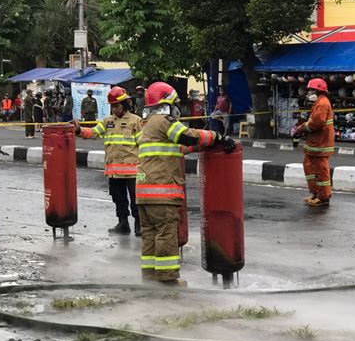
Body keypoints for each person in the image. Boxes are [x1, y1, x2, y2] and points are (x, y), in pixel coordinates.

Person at [136, 82, 235, 285]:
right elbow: (187, 136)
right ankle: (167, 280)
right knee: (166, 233)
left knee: (150, 235)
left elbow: (178, 149)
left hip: (144, 193)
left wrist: (200, 148)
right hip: (161, 192)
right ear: (167, 103)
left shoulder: (148, 126)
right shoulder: (164, 120)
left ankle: (150, 278)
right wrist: (217, 137)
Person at [74, 86, 142, 236]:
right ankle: (123, 223)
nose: (114, 109)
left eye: (116, 106)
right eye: (112, 106)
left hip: (133, 171)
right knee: (119, 199)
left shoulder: (135, 121)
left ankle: (139, 224)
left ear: (124, 105)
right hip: (114, 171)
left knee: (136, 200)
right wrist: (79, 131)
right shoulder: (107, 121)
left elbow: (143, 144)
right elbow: (93, 133)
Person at [294, 78, 335, 208]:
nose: (308, 92)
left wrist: (301, 128)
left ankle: (323, 197)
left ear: (318, 91)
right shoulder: (318, 102)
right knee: (309, 166)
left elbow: (317, 123)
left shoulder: (322, 103)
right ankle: (315, 193)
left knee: (321, 170)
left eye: (311, 90)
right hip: (314, 142)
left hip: (321, 143)